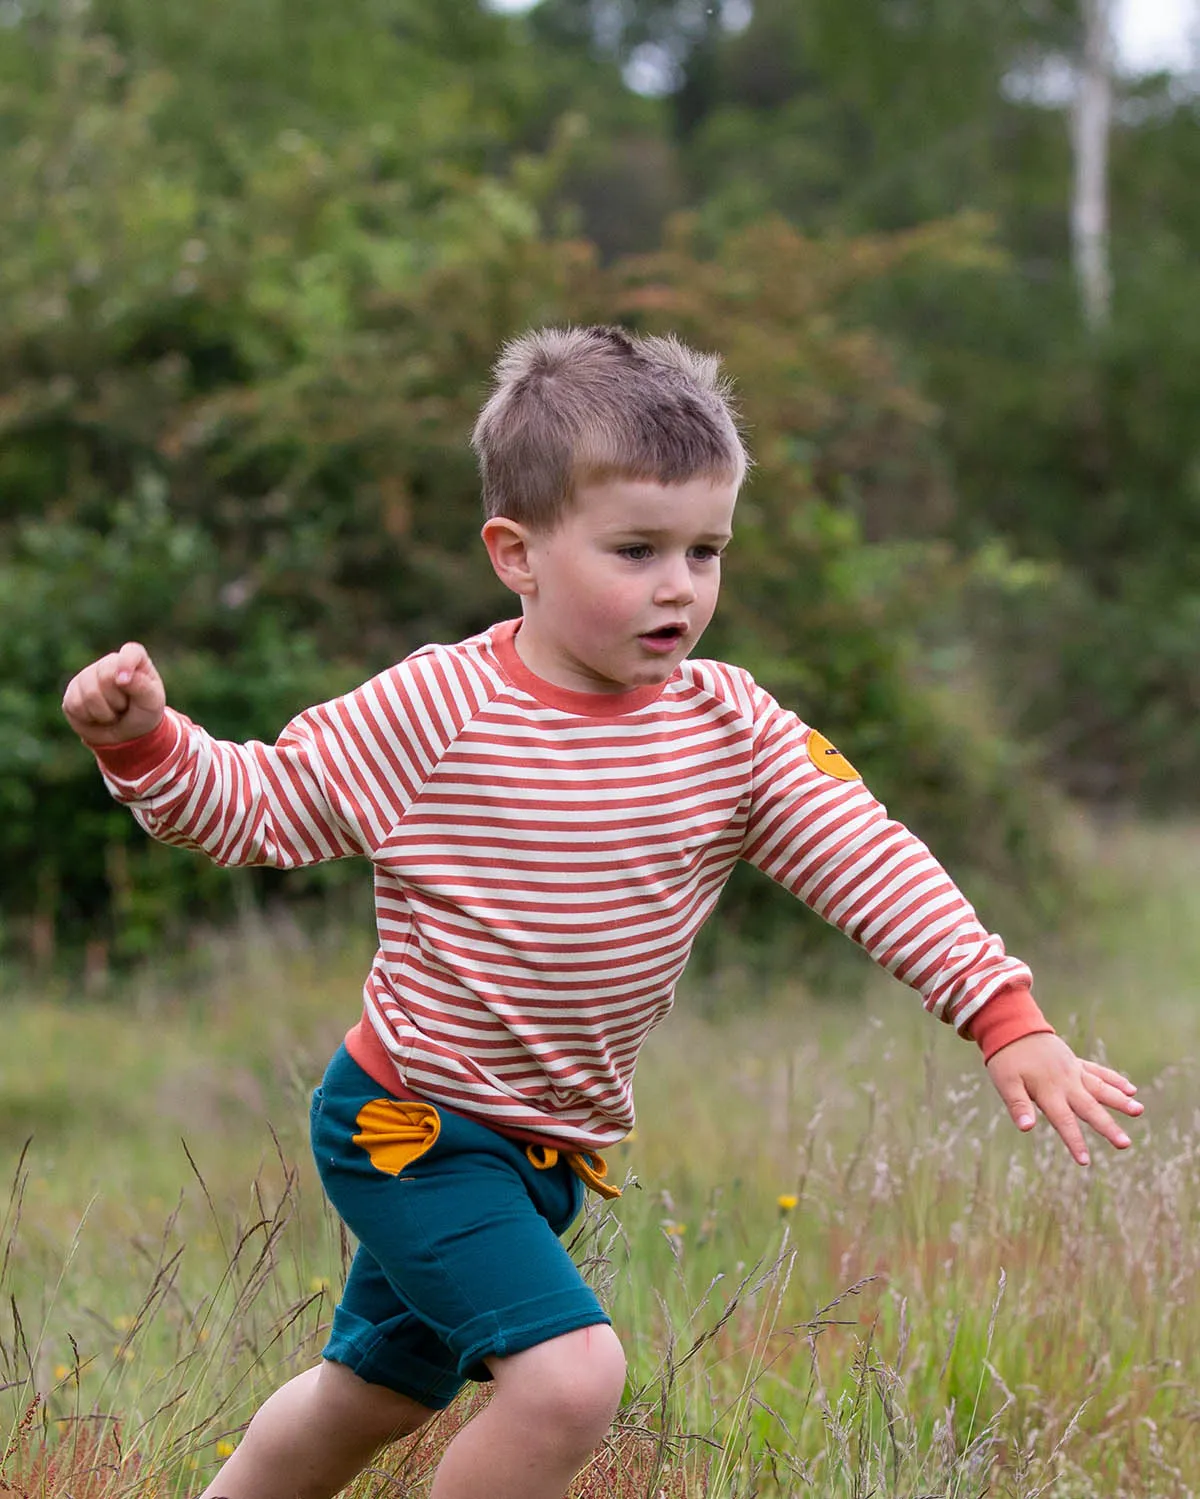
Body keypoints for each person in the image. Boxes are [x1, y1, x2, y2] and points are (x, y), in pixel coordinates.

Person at [62, 325, 1142, 1499]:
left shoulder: (731, 728)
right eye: (636, 548)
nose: (678, 584)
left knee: (373, 1389)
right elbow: (258, 808)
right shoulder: (440, 709)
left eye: (705, 549)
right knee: (571, 1380)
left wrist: (1003, 1010)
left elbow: (868, 857)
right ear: (516, 553)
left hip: (549, 1147)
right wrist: (144, 742)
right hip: (411, 1127)